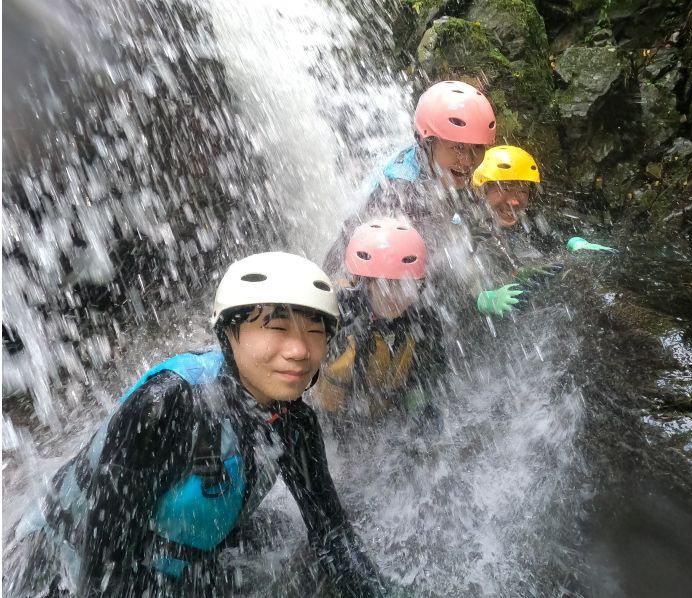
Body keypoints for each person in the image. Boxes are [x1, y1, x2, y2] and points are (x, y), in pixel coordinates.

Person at [6, 252, 386, 597]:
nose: (300, 350)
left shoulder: (293, 422)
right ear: (228, 335)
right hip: (60, 565)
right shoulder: (169, 405)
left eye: (314, 332)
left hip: (169, 557)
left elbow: (331, 535)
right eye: (277, 328)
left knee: (280, 536)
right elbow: (104, 555)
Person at [323, 80, 497, 280]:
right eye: (457, 147)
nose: (467, 161)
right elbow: (417, 265)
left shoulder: (430, 164)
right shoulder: (402, 190)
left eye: (477, 148)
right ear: (426, 141)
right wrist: (464, 246)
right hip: (358, 282)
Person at [316, 218, 445, 434]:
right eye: (386, 284)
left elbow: (430, 365)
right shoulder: (337, 314)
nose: (395, 296)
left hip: (384, 414)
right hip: (332, 419)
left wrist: (419, 401)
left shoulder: (422, 316)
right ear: (363, 283)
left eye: (405, 285)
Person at [470, 145, 563, 318]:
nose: (514, 201)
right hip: (480, 319)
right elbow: (455, 276)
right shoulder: (468, 226)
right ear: (481, 191)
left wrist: (574, 243)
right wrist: (481, 298)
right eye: (504, 188)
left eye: (522, 191)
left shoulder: (530, 220)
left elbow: (554, 244)